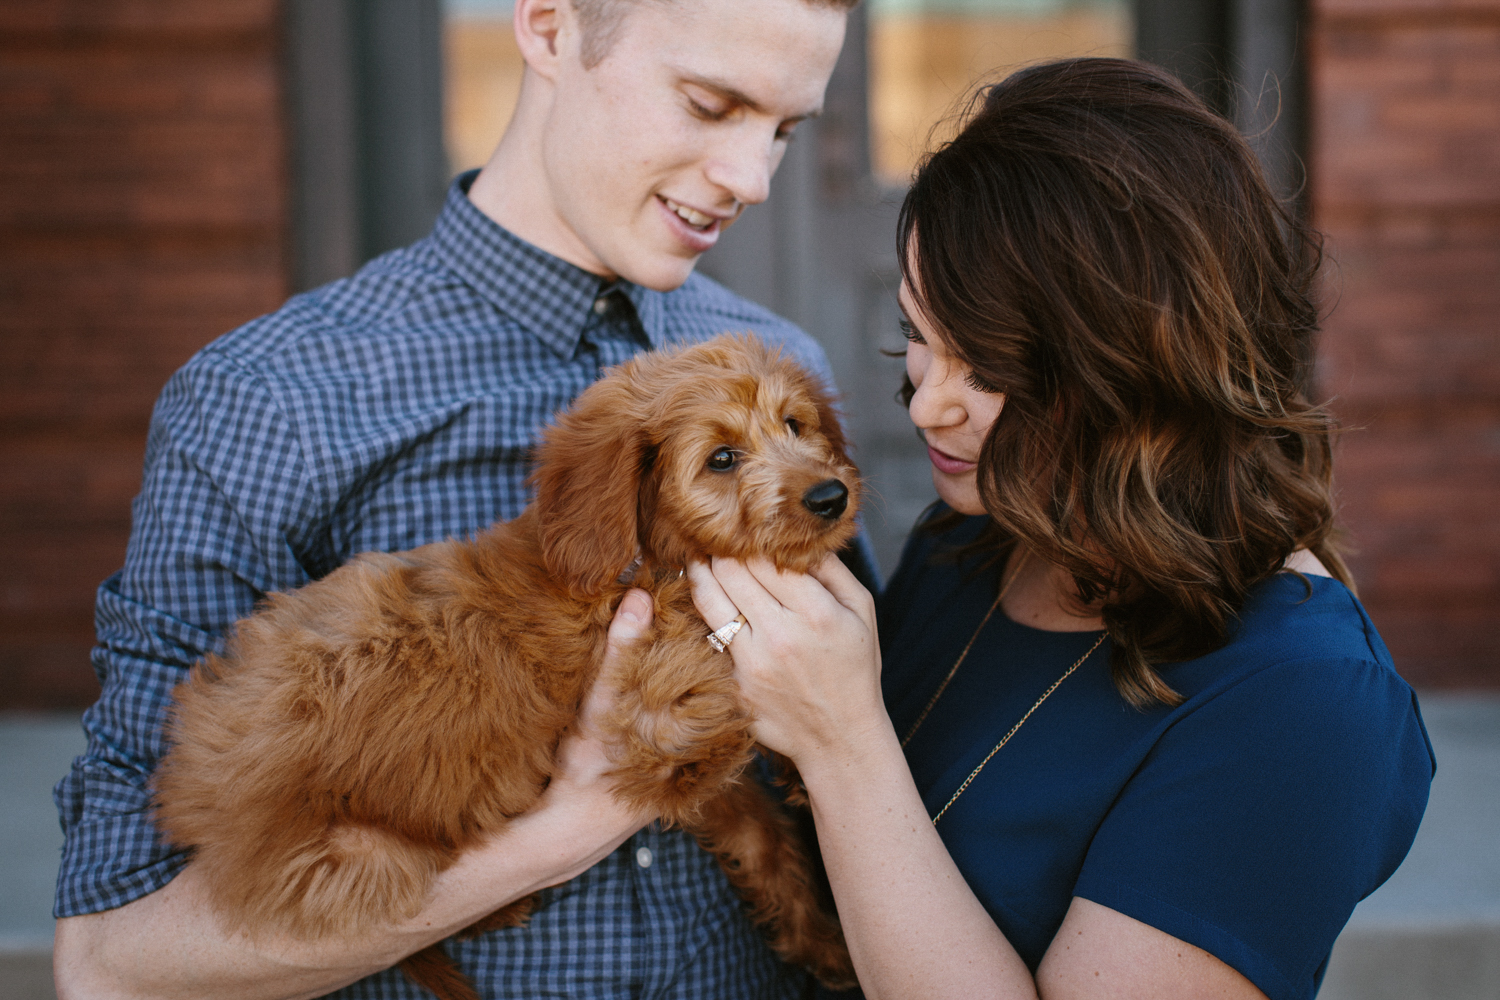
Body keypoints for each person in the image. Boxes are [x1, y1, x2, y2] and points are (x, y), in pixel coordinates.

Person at [51, 0, 870, 997]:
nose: (751, 179)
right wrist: (563, 823)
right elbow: (109, 965)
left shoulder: (788, 368)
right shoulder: (272, 401)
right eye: (708, 104)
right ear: (548, 24)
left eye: (783, 130)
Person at [687, 58, 1435, 1000]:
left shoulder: (1308, 703)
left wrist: (842, 744)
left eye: (990, 371)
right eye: (919, 336)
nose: (927, 407)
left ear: (1145, 369)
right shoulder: (972, 544)